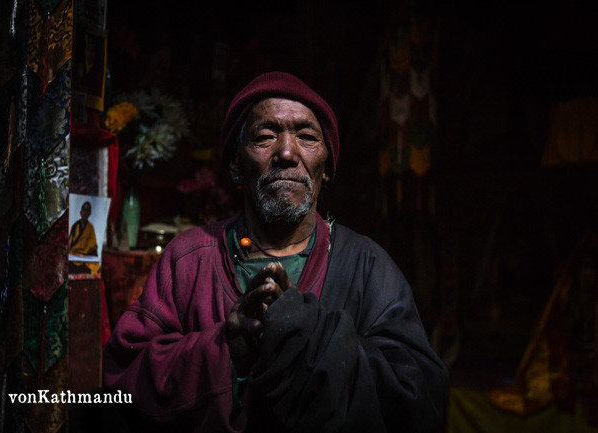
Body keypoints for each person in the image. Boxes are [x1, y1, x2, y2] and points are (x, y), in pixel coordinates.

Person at [103, 71, 448, 432]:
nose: (286, 153)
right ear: (236, 165)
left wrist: (306, 335)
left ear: (327, 168)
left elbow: (419, 398)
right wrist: (226, 350)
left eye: (307, 137)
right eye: (265, 137)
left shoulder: (368, 266)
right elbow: (122, 380)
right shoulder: (189, 259)